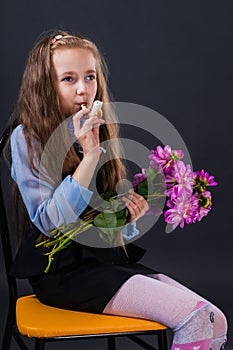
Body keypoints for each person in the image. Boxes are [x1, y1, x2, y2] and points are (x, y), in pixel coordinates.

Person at [9, 30, 227, 350]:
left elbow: (105, 229)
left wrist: (126, 219)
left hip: (103, 263)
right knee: (195, 318)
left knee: (214, 318)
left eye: (90, 77)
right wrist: (90, 156)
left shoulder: (96, 129)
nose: (84, 89)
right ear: (45, 85)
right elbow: (48, 221)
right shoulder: (27, 138)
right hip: (62, 274)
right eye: (68, 79)